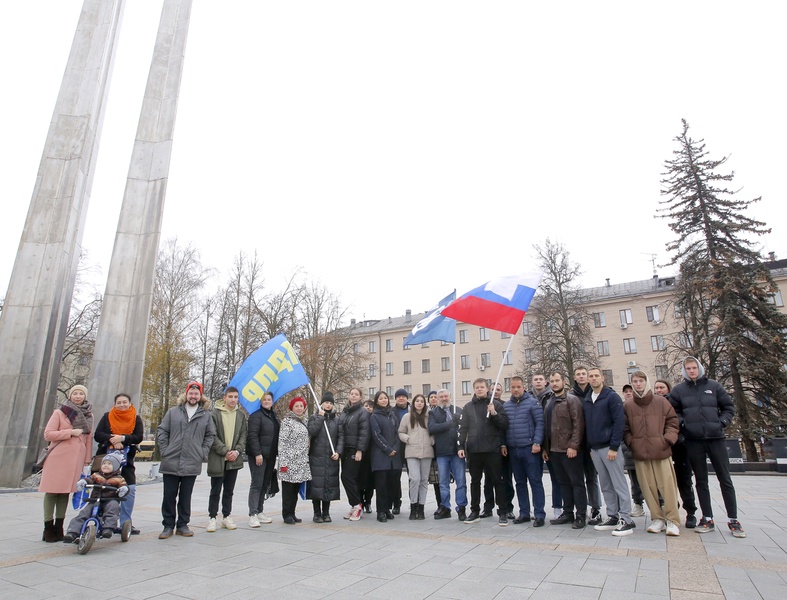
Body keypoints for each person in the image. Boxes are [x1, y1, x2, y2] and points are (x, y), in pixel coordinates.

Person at [669, 357, 745, 537]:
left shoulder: (714, 386)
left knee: (725, 479)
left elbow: (728, 407)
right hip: (693, 441)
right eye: (688, 368)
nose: (691, 371)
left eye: (694, 367)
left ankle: (733, 520)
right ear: (684, 371)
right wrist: (684, 424)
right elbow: (672, 412)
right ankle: (707, 518)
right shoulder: (679, 390)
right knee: (701, 481)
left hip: (716, 438)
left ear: (700, 368)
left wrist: (722, 422)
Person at [624, 371, 681, 536]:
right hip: (640, 453)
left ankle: (672, 520)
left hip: (661, 451)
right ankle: (657, 518)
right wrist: (631, 442)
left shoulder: (661, 401)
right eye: (635, 381)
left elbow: (672, 421)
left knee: (667, 486)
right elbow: (625, 428)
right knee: (647, 488)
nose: (638, 384)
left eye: (641, 381)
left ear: (646, 381)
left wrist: (667, 440)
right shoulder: (628, 405)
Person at [157, 381, 216, 539]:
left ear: (200, 396)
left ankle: (183, 525)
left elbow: (210, 435)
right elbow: (162, 431)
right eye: (191, 393)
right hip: (172, 460)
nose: (193, 396)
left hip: (192, 461)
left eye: (196, 393)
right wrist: (165, 450)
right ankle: (168, 526)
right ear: (186, 394)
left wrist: (202, 453)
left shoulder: (205, 415)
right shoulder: (173, 412)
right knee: (169, 495)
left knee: (185, 495)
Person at [584, 367, 636, 537]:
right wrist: (590, 448)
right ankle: (612, 515)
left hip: (609, 448)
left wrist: (614, 447)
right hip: (595, 448)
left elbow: (619, 422)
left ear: (602, 378)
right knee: (605, 484)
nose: (593, 379)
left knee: (618, 483)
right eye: (590, 376)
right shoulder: (588, 398)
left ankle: (626, 518)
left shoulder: (611, 397)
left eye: (596, 376)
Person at [39, 384, 93, 543]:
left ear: (85, 396)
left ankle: (59, 526)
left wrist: (87, 460)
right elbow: (48, 434)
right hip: (58, 457)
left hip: (76, 458)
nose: (77, 396)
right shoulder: (60, 412)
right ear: (70, 395)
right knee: (51, 491)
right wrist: (69, 432)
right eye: (75, 393)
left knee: (65, 492)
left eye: (81, 393)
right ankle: (48, 528)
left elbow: (88, 439)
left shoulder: (89, 414)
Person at [457, 378, 509, 526]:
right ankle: (474, 511)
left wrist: (494, 414)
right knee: (475, 481)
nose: (479, 389)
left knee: (498, 481)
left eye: (482, 387)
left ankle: (502, 511)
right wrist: (460, 447)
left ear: (488, 389)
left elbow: (505, 424)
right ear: (474, 389)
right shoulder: (468, 407)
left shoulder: (496, 404)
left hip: (492, 449)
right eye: (477, 387)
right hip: (474, 450)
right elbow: (462, 429)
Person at [93, 392, 144, 535]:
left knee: (130, 489)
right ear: (115, 404)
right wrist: (112, 439)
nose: (122, 405)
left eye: (124, 402)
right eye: (119, 402)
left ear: (130, 403)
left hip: (126, 460)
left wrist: (122, 438)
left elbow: (138, 437)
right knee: (102, 487)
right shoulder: (107, 417)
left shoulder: (136, 419)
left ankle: (125, 522)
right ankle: (101, 519)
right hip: (105, 459)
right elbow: (98, 435)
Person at [544, 373, 587, 529]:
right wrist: (545, 448)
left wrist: (573, 445)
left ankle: (581, 515)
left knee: (577, 483)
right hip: (554, 450)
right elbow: (547, 427)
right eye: (552, 381)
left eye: (557, 381)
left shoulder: (572, 400)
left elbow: (578, 424)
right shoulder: (549, 402)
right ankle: (568, 512)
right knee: (563, 483)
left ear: (564, 382)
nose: (555, 384)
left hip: (569, 450)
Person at [502, 376, 546, 526]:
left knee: (535, 481)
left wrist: (537, 442)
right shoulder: (506, 406)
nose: (515, 390)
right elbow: (504, 427)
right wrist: (504, 445)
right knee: (520, 483)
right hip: (514, 450)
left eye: (518, 387)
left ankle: (539, 514)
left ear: (523, 387)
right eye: (513, 387)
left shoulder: (533, 403)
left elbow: (540, 423)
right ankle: (524, 513)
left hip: (530, 449)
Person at [654, 379, 697, 529]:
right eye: (656, 388)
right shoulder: (654, 405)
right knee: (665, 482)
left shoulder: (676, 402)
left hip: (679, 445)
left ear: (668, 389)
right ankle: (671, 509)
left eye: (662, 387)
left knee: (684, 480)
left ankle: (690, 511)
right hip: (662, 447)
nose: (659, 390)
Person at [206, 386, 247, 533]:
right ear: (224, 398)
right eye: (230, 397)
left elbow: (243, 435)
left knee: (229, 490)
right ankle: (212, 518)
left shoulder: (240, 416)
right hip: (218, 458)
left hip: (234, 459)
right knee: (215, 489)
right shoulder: (214, 414)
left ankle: (226, 516)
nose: (233, 400)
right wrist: (225, 451)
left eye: (236, 397)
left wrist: (237, 451)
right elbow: (212, 435)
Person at [62, 452, 128, 543]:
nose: (106, 466)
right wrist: (83, 482)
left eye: (109, 464)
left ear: (116, 466)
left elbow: (123, 486)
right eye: (104, 463)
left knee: (113, 509)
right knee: (84, 513)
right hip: (95, 500)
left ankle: (108, 528)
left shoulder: (119, 478)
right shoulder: (96, 475)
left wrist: (123, 489)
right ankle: (72, 532)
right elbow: (89, 479)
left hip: (109, 500)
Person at [429, 388, 467, 521]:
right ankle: (445, 507)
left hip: (457, 452)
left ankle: (461, 507)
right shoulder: (433, 413)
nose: (444, 399)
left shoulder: (457, 410)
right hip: (442, 452)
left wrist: (458, 422)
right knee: (443, 483)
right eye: (441, 397)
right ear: (438, 399)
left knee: (461, 481)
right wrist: (449, 424)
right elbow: (432, 428)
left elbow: (464, 428)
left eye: (446, 396)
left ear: (450, 396)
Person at [572, 366, 603, 526]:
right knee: (577, 480)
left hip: (592, 443)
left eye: (584, 374)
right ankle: (581, 510)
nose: (582, 377)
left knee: (592, 478)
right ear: (575, 377)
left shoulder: (596, 393)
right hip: (577, 444)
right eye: (579, 374)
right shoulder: (571, 396)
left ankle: (596, 508)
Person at [308, 392, 344, 523]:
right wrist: (320, 418)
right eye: (326, 402)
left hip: (331, 458)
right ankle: (316, 513)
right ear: (321, 403)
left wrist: (338, 452)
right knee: (317, 486)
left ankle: (326, 512)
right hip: (317, 458)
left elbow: (341, 437)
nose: (328, 405)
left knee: (329, 485)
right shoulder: (314, 417)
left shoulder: (337, 420)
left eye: (330, 403)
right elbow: (312, 431)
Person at [398, 394, 434, 520]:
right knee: (414, 479)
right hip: (412, 451)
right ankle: (413, 506)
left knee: (424, 480)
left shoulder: (429, 417)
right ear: (413, 403)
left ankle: (421, 507)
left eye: (422, 401)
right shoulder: (407, 417)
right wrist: (408, 439)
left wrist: (432, 440)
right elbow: (400, 432)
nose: (419, 403)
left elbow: (434, 430)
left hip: (427, 452)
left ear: (425, 404)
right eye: (417, 401)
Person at [247, 391, 280, 527]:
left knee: (264, 484)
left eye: (269, 399)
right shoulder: (256, 416)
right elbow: (252, 436)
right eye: (264, 399)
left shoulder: (273, 416)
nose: (267, 401)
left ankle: (260, 510)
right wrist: (257, 454)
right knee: (256, 484)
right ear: (261, 401)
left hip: (271, 456)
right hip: (259, 456)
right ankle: (253, 514)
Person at [483, 382, 515, 519]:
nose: (495, 392)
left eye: (498, 390)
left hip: (503, 447)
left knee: (506, 479)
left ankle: (508, 507)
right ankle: (488, 507)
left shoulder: (504, 405)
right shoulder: (485, 405)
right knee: (488, 480)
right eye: (493, 390)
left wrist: (504, 444)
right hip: (488, 448)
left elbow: (505, 426)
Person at [369, 391, 402, 522]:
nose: (384, 400)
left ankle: (387, 509)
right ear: (377, 401)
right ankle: (380, 511)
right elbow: (376, 435)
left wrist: (395, 448)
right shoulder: (374, 416)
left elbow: (398, 433)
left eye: (385, 398)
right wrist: (387, 449)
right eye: (381, 398)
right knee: (381, 485)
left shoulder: (393, 416)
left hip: (393, 456)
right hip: (380, 456)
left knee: (391, 484)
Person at [278, 397, 311, 524]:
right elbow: (282, 443)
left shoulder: (304, 421)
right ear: (292, 408)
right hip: (290, 461)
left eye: (301, 406)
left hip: (301, 461)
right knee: (288, 490)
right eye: (296, 406)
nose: (299, 408)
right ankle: (286, 514)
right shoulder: (287, 422)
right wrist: (283, 462)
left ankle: (292, 512)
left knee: (296, 489)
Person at [532, 373, 561, 519]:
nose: (538, 382)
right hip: (534, 445)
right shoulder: (529, 398)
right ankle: (538, 510)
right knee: (535, 479)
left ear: (546, 382)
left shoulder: (552, 397)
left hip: (550, 443)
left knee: (556, 478)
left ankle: (557, 508)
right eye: (535, 379)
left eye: (540, 379)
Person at [339, 387, 370, 521]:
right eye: (351, 394)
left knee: (347, 477)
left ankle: (358, 505)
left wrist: (359, 450)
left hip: (354, 449)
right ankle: (354, 504)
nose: (353, 396)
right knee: (347, 477)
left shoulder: (362, 411)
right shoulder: (345, 412)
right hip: (345, 449)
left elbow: (364, 432)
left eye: (356, 394)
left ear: (360, 397)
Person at [620, 384, 646, 518]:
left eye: (631, 391)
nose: (629, 393)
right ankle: (638, 503)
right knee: (634, 480)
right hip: (629, 449)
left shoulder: (643, 406)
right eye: (626, 392)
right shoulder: (623, 407)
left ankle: (659, 503)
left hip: (646, 448)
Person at [391, 388, 410, 514]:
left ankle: (415, 502)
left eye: (403, 396)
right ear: (396, 398)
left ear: (407, 398)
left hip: (411, 445)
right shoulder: (391, 412)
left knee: (413, 477)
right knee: (395, 477)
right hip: (396, 447)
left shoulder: (413, 409)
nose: (401, 398)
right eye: (398, 396)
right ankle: (396, 503)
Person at [359, 399, 377, 512]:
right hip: (361, 453)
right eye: (366, 405)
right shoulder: (360, 418)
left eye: (371, 406)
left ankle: (368, 502)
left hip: (372, 454)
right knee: (360, 480)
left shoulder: (375, 419)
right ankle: (360, 501)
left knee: (371, 481)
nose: (368, 408)